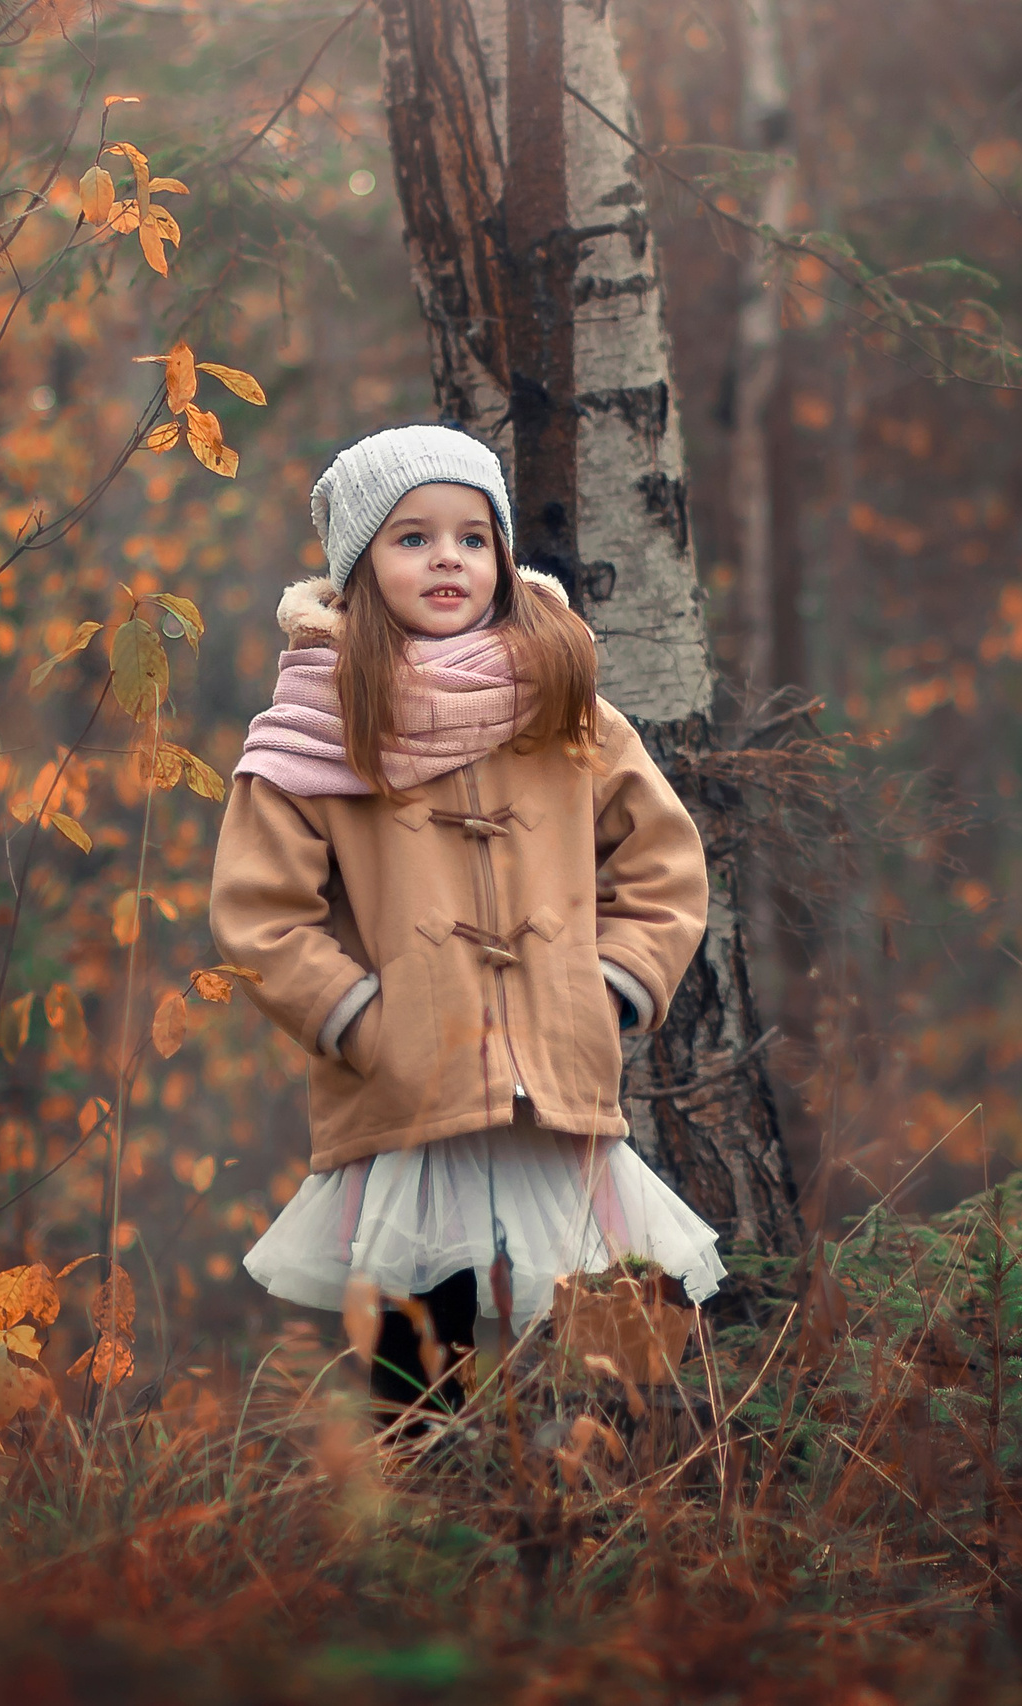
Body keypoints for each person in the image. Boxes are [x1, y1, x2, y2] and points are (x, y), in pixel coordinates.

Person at [209, 424, 725, 1421]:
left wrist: (611, 986)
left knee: (602, 1367)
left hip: (557, 1093)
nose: (446, 556)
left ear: (501, 558)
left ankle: (601, 1549)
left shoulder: (563, 704)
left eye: (470, 536)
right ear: (359, 567)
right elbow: (258, 911)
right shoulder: (316, 722)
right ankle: (432, 1556)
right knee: (417, 1379)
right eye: (410, 538)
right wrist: (364, 1021)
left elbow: (662, 861)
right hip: (407, 1102)